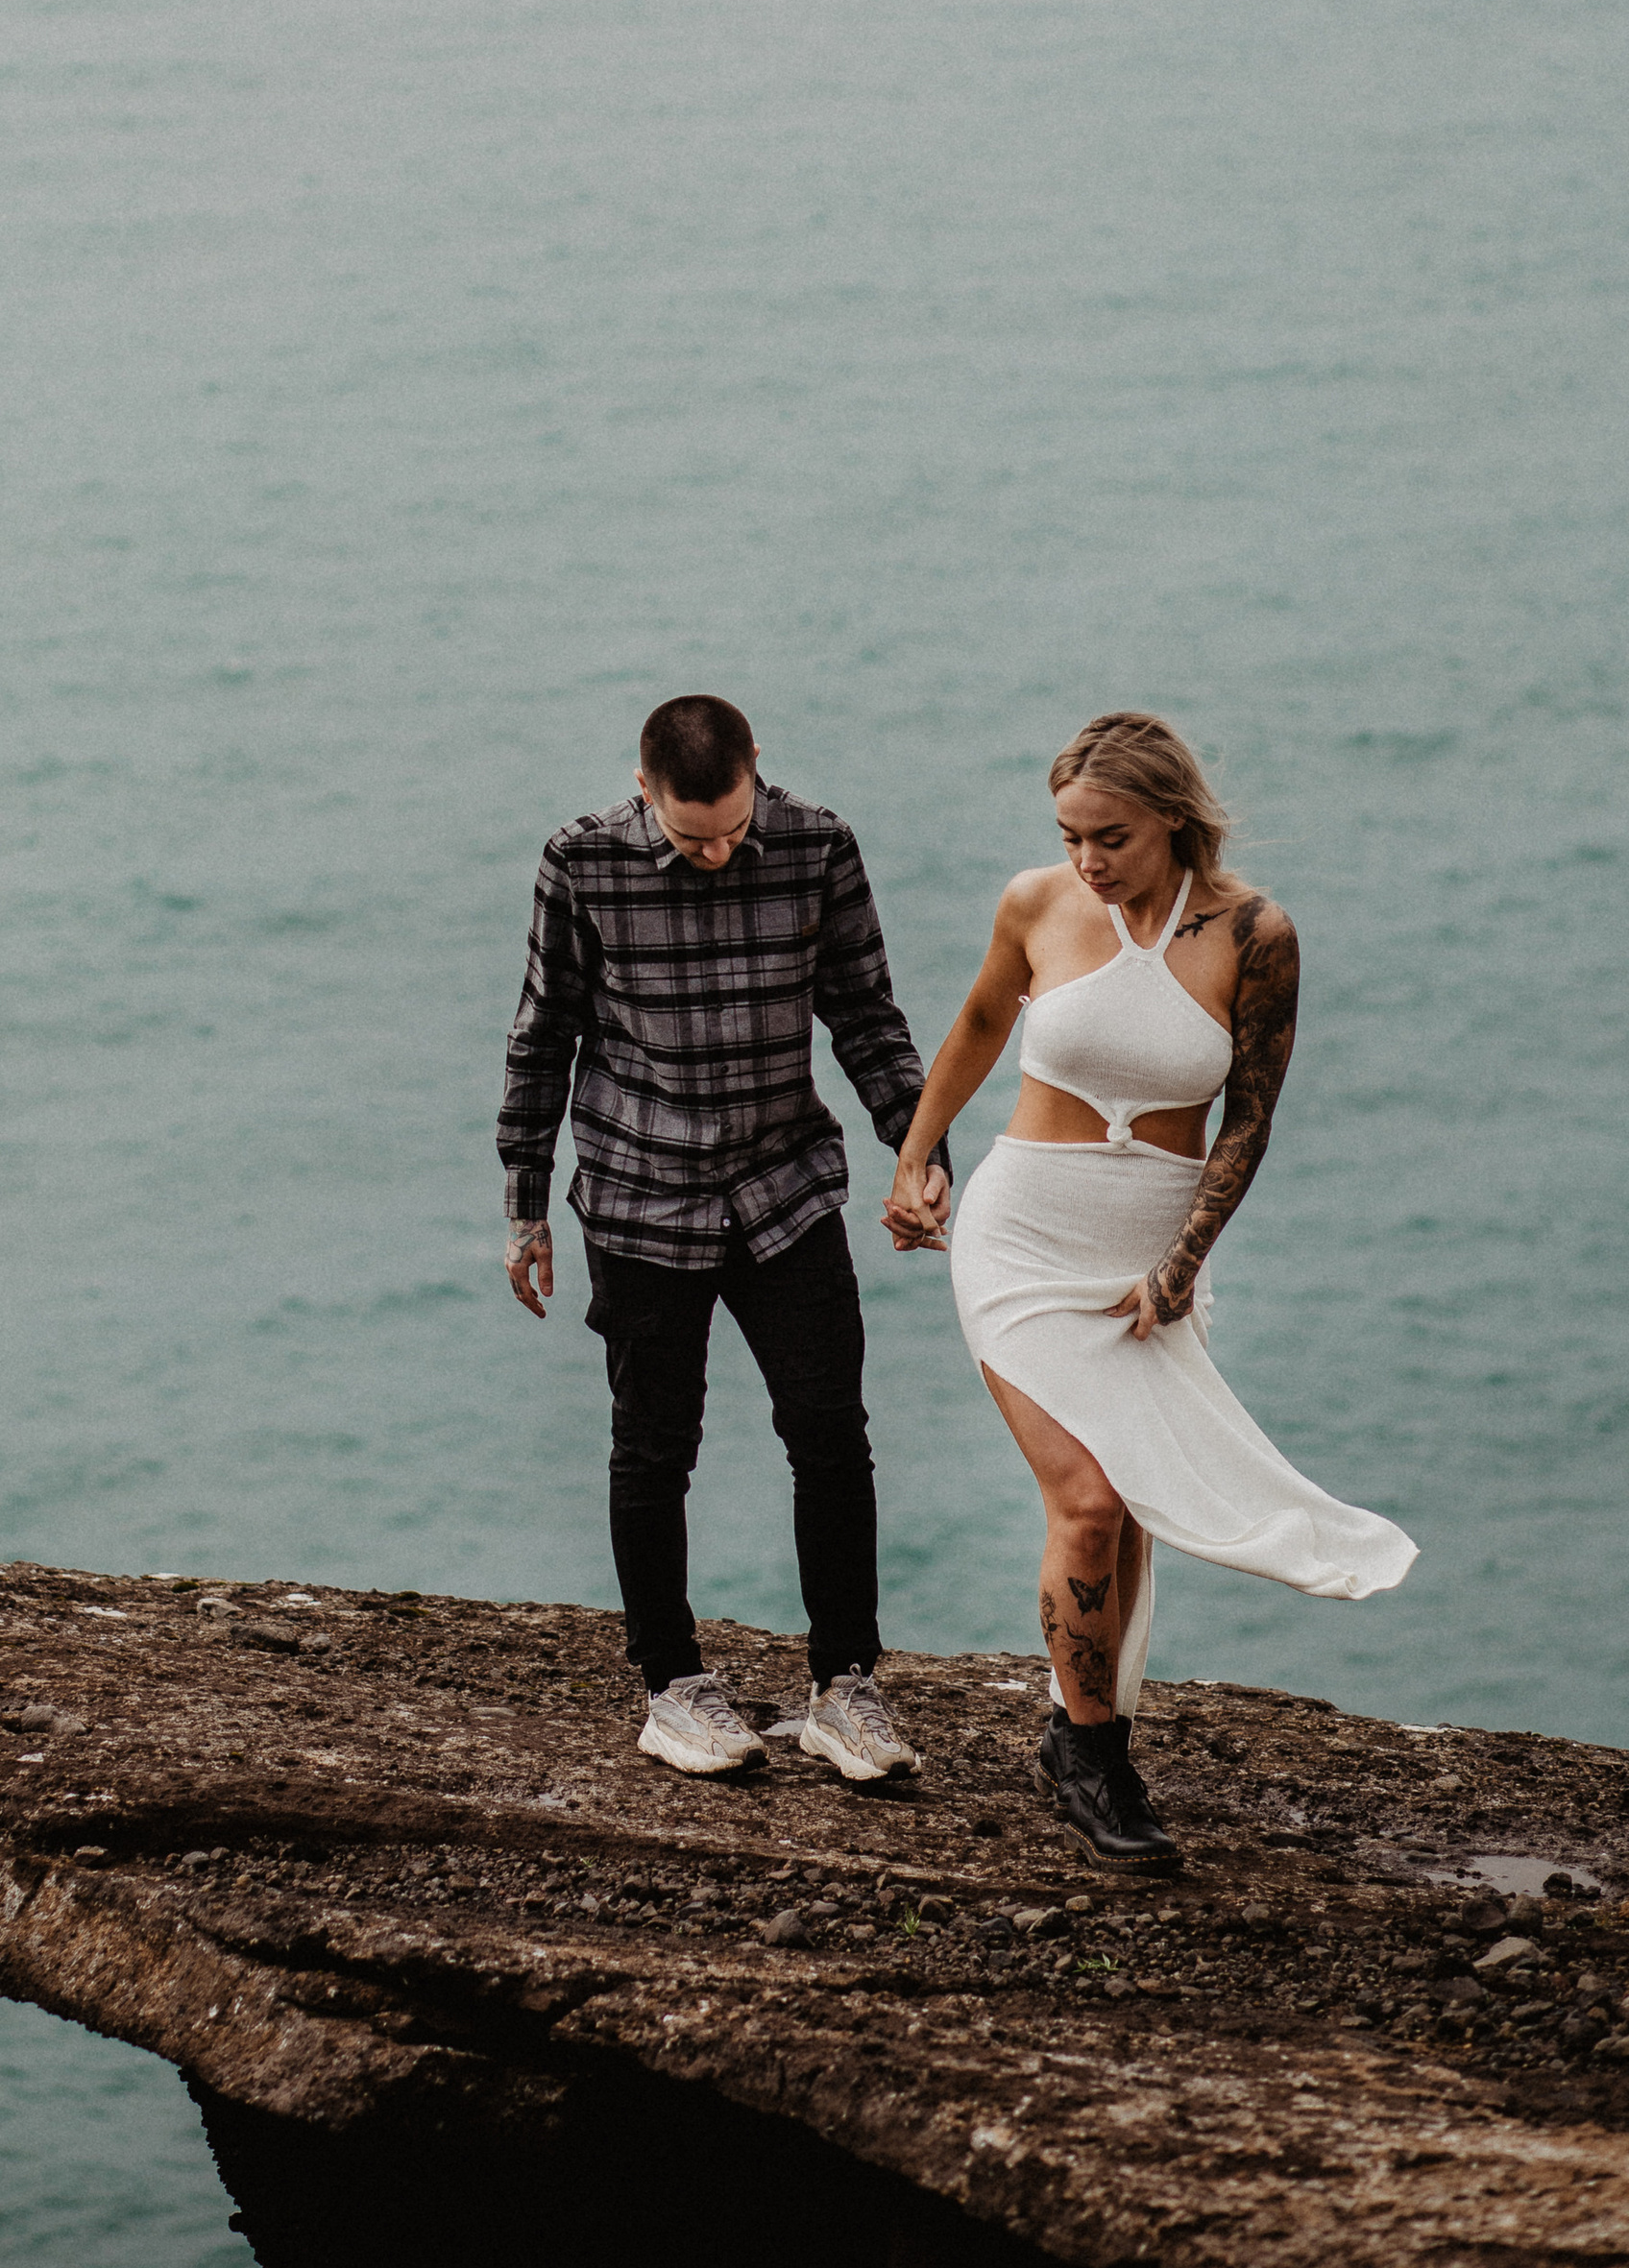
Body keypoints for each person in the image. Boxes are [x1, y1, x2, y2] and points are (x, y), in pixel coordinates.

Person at [884, 712, 1416, 1873]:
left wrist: (1179, 1264)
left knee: (1124, 1506)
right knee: (1083, 1498)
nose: (1087, 862)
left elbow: (1250, 1116)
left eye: (1110, 837)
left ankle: (1094, 1728)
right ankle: (1089, 1757)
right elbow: (980, 1022)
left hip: (1150, 1249)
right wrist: (918, 1155)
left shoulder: (1255, 932)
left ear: (1173, 816)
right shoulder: (1036, 905)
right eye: (1070, 835)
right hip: (1021, 1233)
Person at [499, 695, 938, 1783]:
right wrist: (524, 1203)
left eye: (733, 828)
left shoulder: (818, 847)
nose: (716, 852)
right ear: (644, 789)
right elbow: (542, 1035)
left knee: (829, 1430)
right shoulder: (581, 864)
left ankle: (846, 1688)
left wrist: (917, 1149)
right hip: (642, 1193)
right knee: (655, 1445)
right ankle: (672, 1687)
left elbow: (866, 1015)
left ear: (757, 771)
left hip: (783, 1183)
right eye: (692, 837)